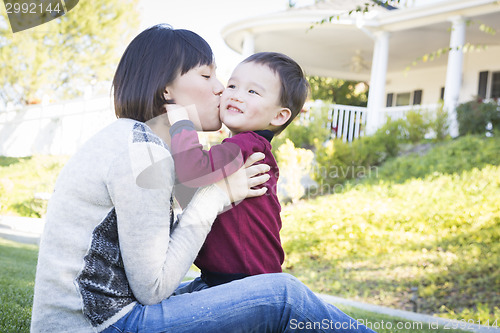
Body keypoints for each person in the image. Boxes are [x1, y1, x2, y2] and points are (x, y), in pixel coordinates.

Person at [31, 24, 377, 333]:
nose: (221, 90)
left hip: (103, 316)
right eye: (208, 76)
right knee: (283, 294)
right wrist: (219, 194)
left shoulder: (135, 142)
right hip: (103, 324)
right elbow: (153, 288)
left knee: (211, 291)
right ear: (168, 89)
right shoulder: (139, 152)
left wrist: (212, 192)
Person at [165, 52, 309, 287]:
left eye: (252, 91)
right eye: (232, 85)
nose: (236, 95)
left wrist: (182, 123)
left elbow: (191, 169)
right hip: (231, 278)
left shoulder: (248, 145)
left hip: (246, 282)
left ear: (279, 115)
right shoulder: (241, 148)